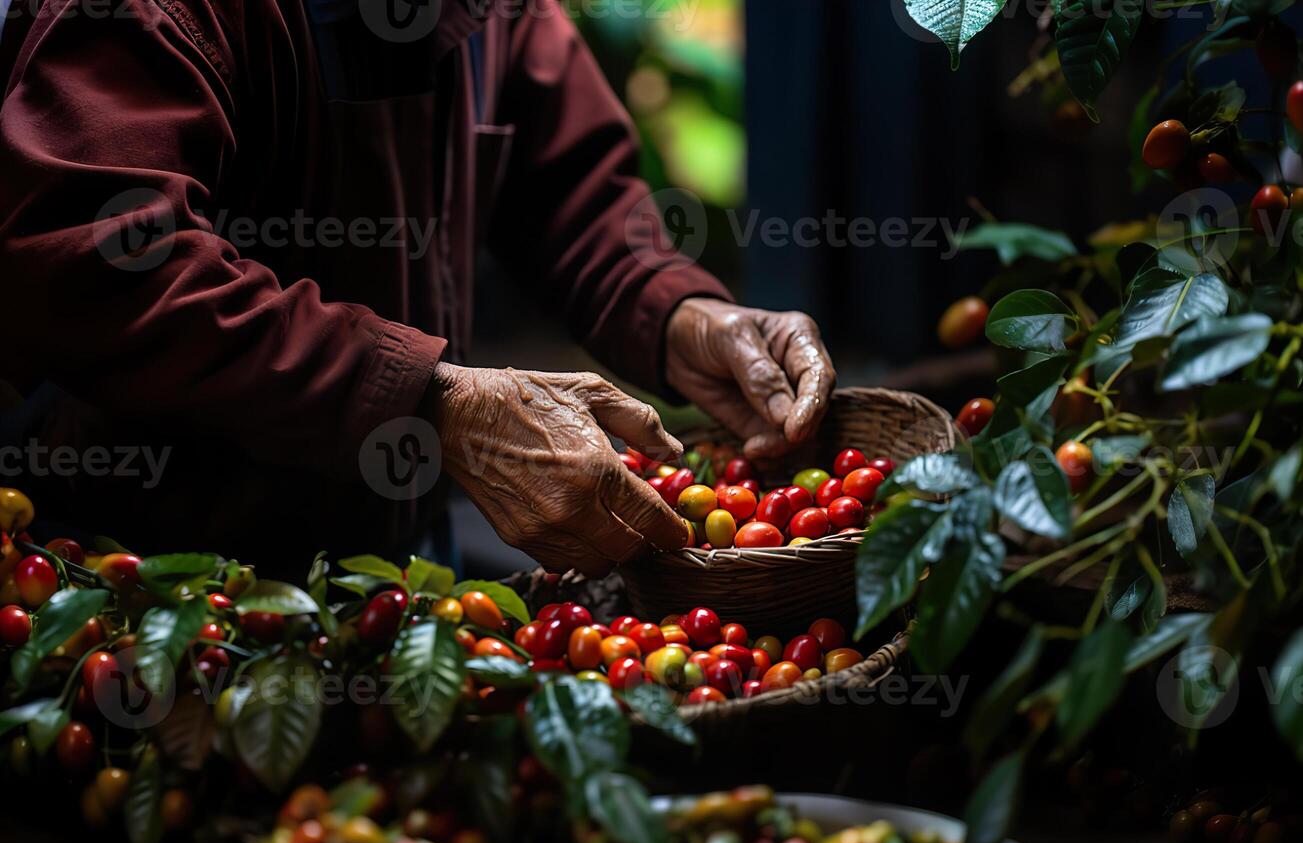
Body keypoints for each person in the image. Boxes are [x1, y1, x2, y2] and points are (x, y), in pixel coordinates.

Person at [0, 0, 834, 577]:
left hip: (396, 557)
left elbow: (573, 194)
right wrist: (427, 398)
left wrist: (676, 310)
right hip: (154, 578)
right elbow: (90, 260)